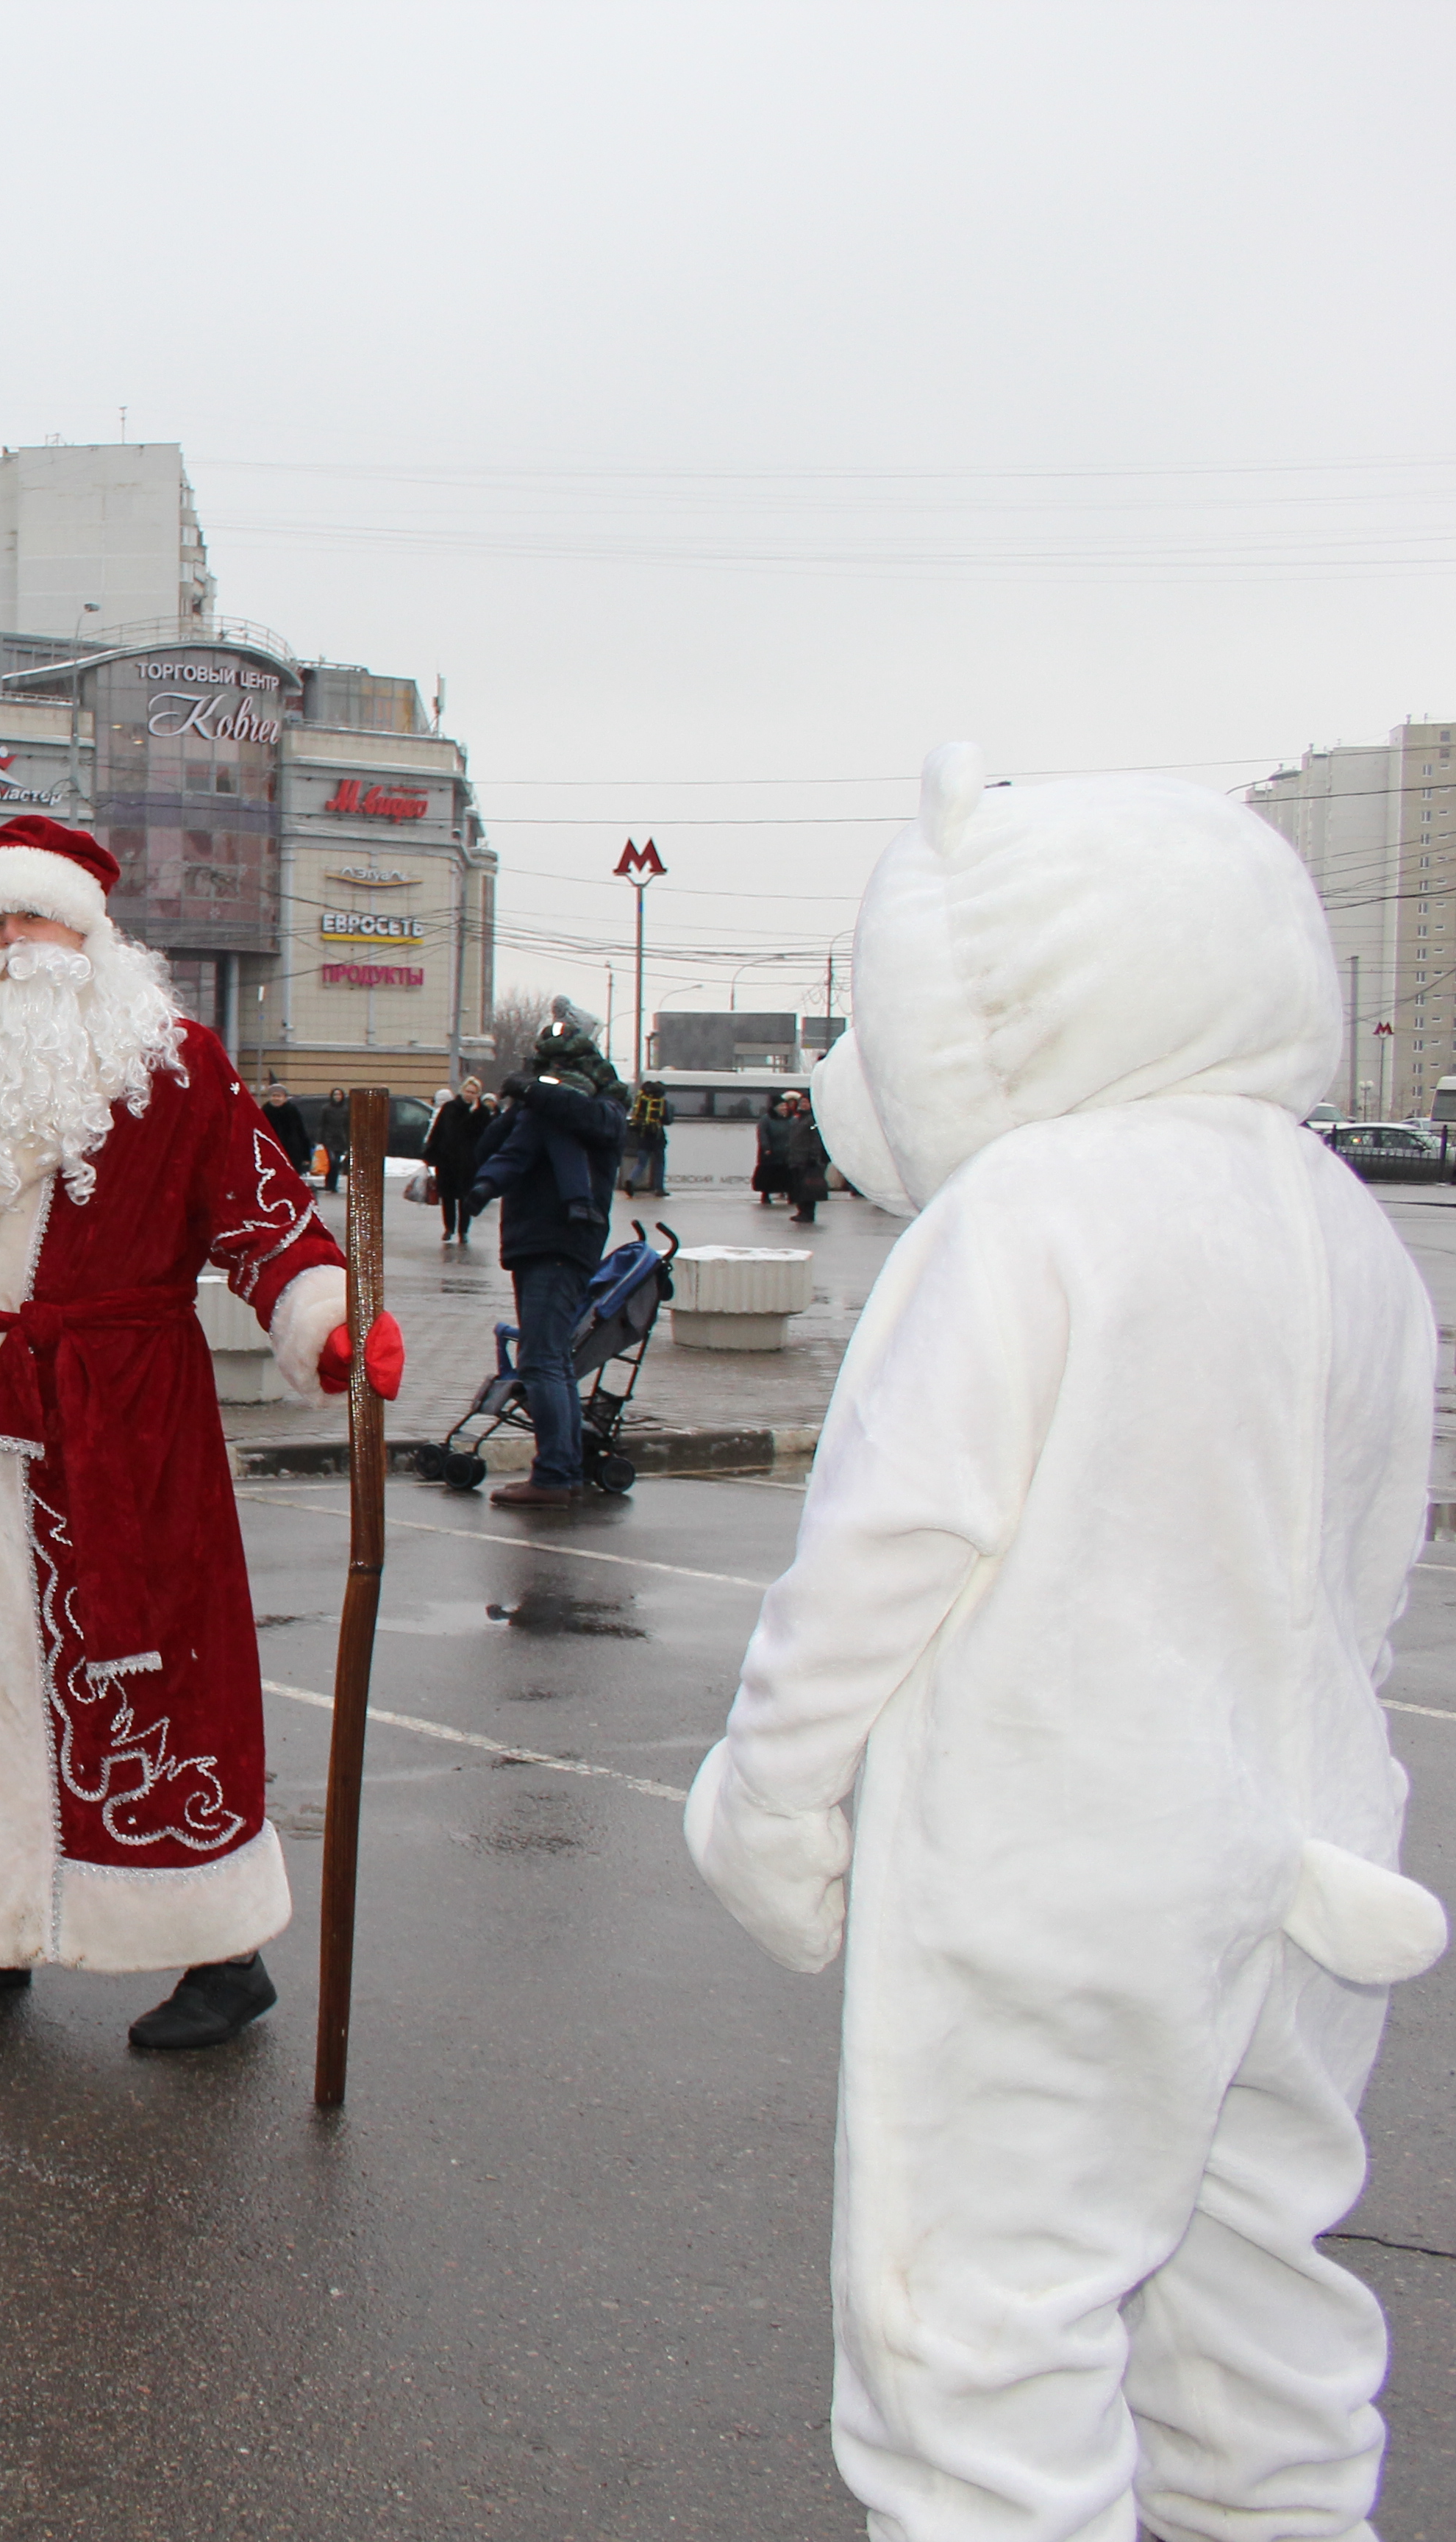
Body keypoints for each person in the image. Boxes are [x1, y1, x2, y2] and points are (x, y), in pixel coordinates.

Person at [686, 747, 1444, 2542]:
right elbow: (1371, 1564)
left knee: (979, 2336)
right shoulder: (1346, 1228)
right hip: (1302, 1849)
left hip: (1056, 1861)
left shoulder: (1025, 1215)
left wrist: (770, 1795)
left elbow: (882, 1549)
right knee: (1253, 2316)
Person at [0, 817, 403, 2053]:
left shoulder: (175, 1063)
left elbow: (264, 1223)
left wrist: (325, 1322)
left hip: (130, 1422)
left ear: (92, 938)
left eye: (33, 921)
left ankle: (219, 1948)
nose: (11, 947)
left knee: (156, 1672)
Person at [463, 1036, 625, 1510]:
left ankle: (555, 1475)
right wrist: (521, 1103)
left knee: (543, 1361)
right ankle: (563, 1470)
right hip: (537, 1244)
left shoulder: (602, 1108)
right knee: (552, 1361)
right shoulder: (540, 1110)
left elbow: (588, 1119)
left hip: (560, 1244)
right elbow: (494, 1148)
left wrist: (534, 1092)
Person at [422, 1077, 490, 1245]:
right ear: (462, 1091)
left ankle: (463, 1231)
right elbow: (438, 1132)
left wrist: (474, 1113)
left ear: (478, 1095)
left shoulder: (482, 1113)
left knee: (465, 1197)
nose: (470, 1095)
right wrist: (430, 1154)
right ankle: (449, 1228)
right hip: (447, 1159)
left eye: (474, 1093)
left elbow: (485, 1135)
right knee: (447, 1196)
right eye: (468, 1091)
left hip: (469, 1162)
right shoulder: (449, 1108)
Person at [761, 1089, 829, 1223]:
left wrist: (813, 1156)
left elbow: (816, 1139)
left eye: (806, 1102)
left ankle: (808, 1213)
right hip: (796, 1159)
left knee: (808, 1189)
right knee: (799, 1187)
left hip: (806, 1160)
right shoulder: (798, 1119)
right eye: (802, 1102)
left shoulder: (812, 1120)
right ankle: (801, 1211)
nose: (803, 1105)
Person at [625, 1075, 673, 1196]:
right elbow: (667, 1120)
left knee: (642, 1163)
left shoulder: (642, 1101)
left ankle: (631, 1180)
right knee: (659, 1163)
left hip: (642, 1136)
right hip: (657, 1136)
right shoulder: (662, 1103)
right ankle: (659, 1189)